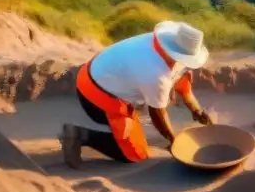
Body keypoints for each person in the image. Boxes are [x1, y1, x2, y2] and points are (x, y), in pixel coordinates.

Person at [59, 21, 214, 169]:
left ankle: (121, 125)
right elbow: (157, 114)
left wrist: (196, 110)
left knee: (176, 78)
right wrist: (174, 141)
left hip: (101, 70)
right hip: (96, 94)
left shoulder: (166, 44)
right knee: (135, 154)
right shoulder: (155, 73)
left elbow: (181, 80)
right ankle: (78, 135)